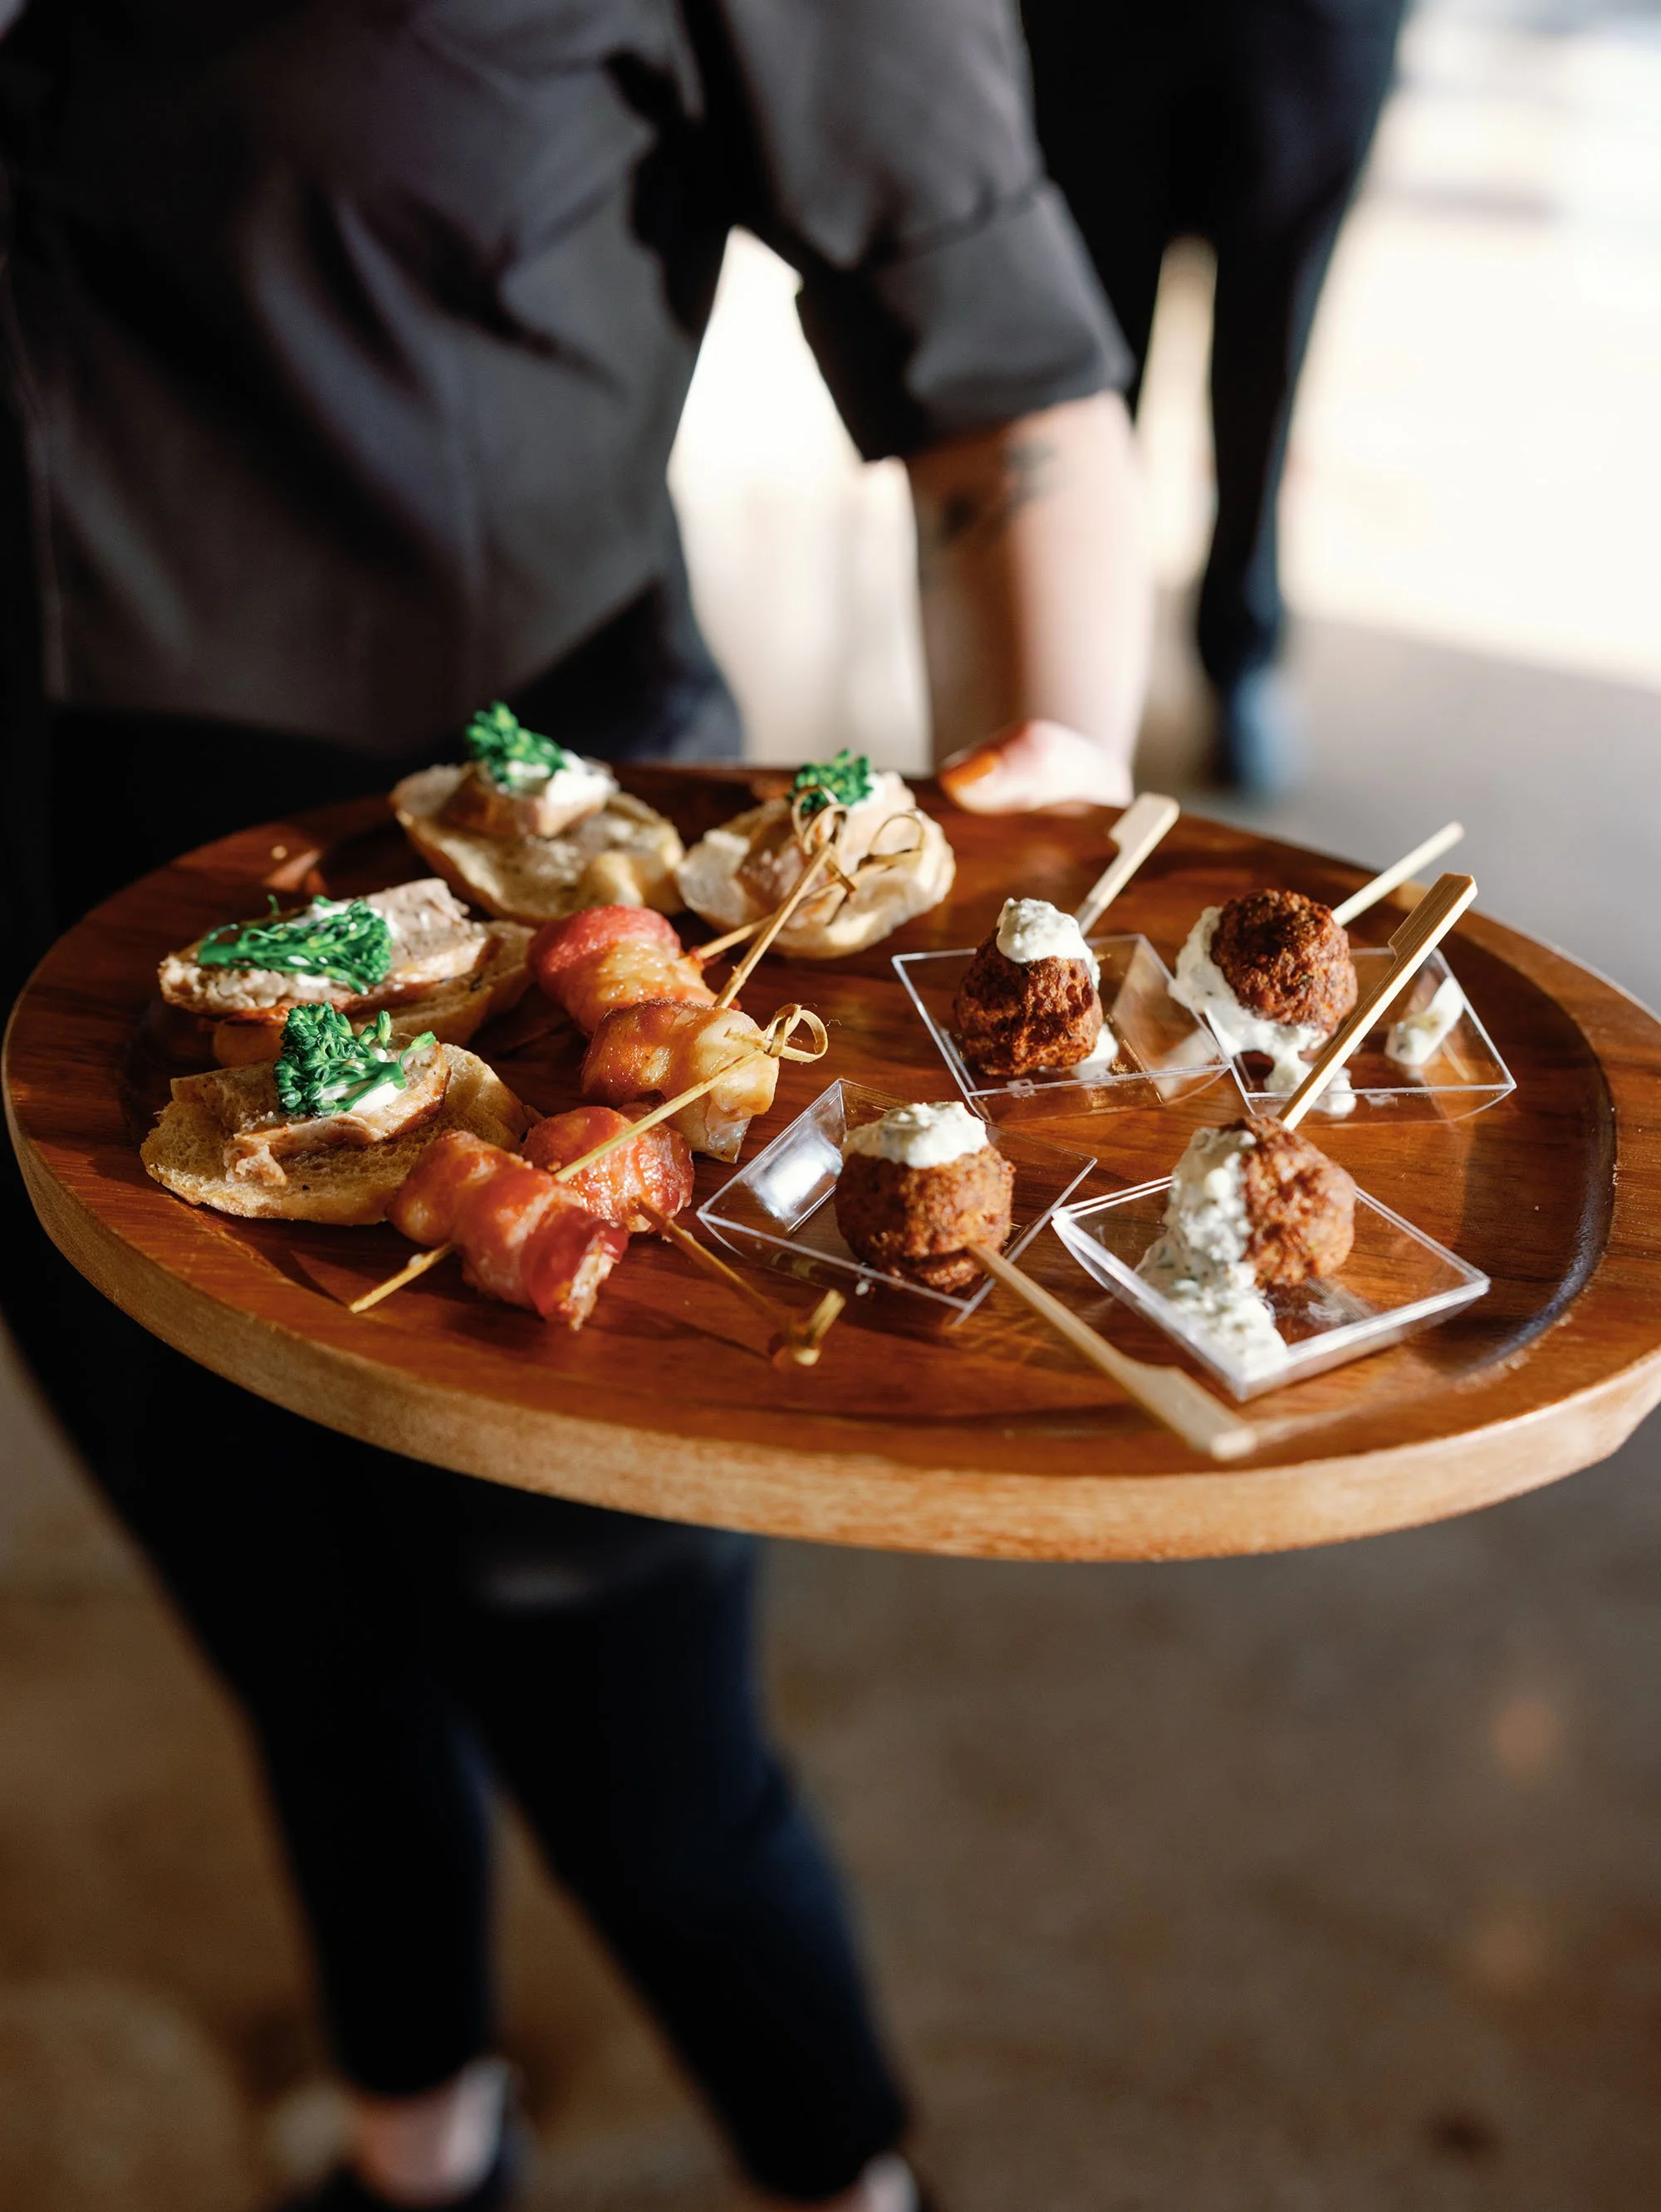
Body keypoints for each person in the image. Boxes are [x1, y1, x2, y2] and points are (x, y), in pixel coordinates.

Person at [0, 2, 1151, 2207]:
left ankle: (839, 2173)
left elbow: (1001, 375)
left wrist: (1031, 905)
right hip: (56, 1004)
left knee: (636, 1746)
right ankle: (420, 2138)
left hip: (532, 978)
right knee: (280, 1634)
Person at [1022, 0, 1409, 794]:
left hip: (1309, 30)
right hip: (1094, 31)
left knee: (1269, 354)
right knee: (1088, 358)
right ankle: (1077, 659)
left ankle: (1241, 646)